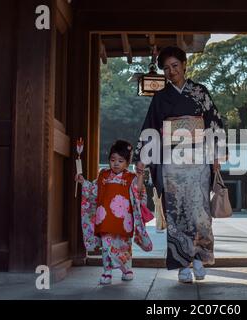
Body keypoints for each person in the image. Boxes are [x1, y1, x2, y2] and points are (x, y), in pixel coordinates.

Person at [133, 46, 225, 283]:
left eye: (175, 66)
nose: (171, 71)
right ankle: (182, 263)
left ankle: (198, 259)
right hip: (171, 163)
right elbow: (150, 128)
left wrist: (217, 156)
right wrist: (142, 160)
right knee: (177, 212)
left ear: (185, 64)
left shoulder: (200, 92)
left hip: (198, 161)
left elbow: (214, 122)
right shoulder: (161, 98)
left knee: (200, 212)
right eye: (166, 68)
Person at [76, 140, 153, 285]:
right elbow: (94, 191)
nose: (116, 163)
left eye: (120, 160)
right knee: (106, 247)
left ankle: (127, 269)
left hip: (124, 220)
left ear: (127, 162)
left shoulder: (130, 177)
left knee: (124, 246)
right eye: (112, 160)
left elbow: (138, 190)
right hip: (105, 218)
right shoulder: (103, 175)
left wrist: (141, 174)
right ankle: (107, 271)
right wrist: (82, 182)